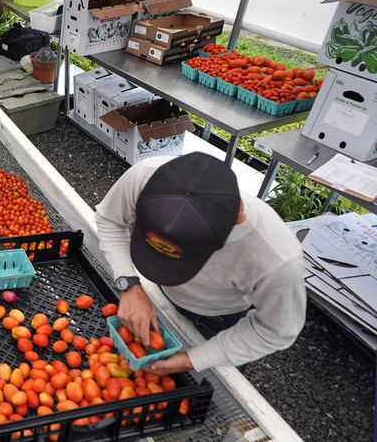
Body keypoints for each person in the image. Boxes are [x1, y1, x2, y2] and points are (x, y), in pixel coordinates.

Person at [95, 152, 306, 375]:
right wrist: (129, 285)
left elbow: (276, 330)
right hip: (158, 296)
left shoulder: (276, 259)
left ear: (238, 218)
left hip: (218, 320)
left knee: (214, 386)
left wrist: (194, 359)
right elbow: (110, 219)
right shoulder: (146, 176)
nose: (161, 270)